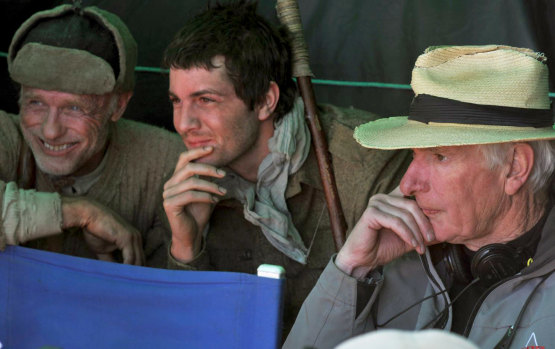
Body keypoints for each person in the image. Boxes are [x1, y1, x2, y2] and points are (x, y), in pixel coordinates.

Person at [161, 1, 411, 334]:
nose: (183, 123)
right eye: (176, 101)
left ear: (266, 100)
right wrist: (186, 248)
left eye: (206, 100)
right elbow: (184, 332)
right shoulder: (188, 180)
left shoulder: (363, 165)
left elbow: (405, 321)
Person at [284, 44, 555, 349]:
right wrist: (352, 269)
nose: (409, 183)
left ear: (515, 167)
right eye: (414, 155)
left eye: (440, 156)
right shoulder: (400, 267)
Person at [1, 3, 185, 267]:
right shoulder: (6, 134)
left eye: (74, 108)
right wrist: (79, 212)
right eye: (36, 103)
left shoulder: (166, 162)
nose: (51, 131)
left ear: (119, 105)